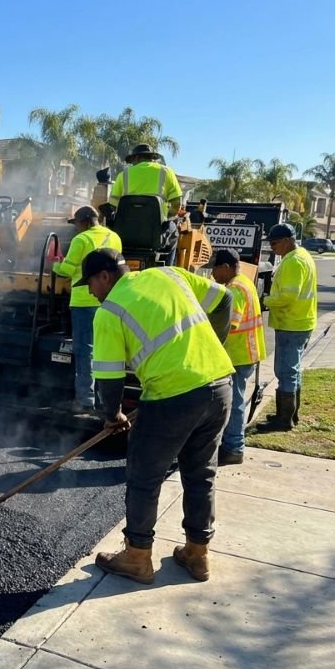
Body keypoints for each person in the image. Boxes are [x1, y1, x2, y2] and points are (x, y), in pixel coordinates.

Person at [80, 248, 234, 584]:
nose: (91, 292)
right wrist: (214, 346)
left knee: (143, 475)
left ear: (104, 276)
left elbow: (108, 377)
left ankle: (136, 557)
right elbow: (225, 299)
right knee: (201, 473)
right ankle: (197, 553)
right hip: (220, 385)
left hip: (172, 397)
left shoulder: (110, 312)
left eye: (90, 283)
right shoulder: (169, 274)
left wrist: (112, 415)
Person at [52, 206, 123, 413]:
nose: (75, 229)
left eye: (76, 224)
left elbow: (66, 270)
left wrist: (55, 264)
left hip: (84, 302)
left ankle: (84, 401)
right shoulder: (115, 237)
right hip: (110, 300)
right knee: (107, 351)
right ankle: (104, 401)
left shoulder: (81, 240)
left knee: (85, 351)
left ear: (84, 222)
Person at [255, 224, 317, 431]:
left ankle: (284, 419)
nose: (272, 248)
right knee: (293, 371)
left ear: (287, 240)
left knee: (286, 371)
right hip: (299, 322)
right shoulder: (300, 256)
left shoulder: (294, 262)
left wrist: (265, 300)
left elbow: (289, 296)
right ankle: (290, 414)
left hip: (292, 323)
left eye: (274, 243)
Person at [211, 249, 267, 465]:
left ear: (225, 267)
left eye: (215, 270)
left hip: (238, 354)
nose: (213, 275)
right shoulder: (245, 281)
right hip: (246, 353)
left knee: (234, 403)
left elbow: (229, 325)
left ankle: (234, 448)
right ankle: (231, 443)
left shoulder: (234, 290)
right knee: (235, 400)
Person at [106, 144, 183, 219]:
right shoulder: (166, 171)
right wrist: (167, 216)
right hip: (158, 227)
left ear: (136, 158)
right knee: (173, 227)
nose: (132, 163)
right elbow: (176, 204)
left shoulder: (123, 174)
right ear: (152, 158)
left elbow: (113, 204)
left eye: (132, 161)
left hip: (128, 225)